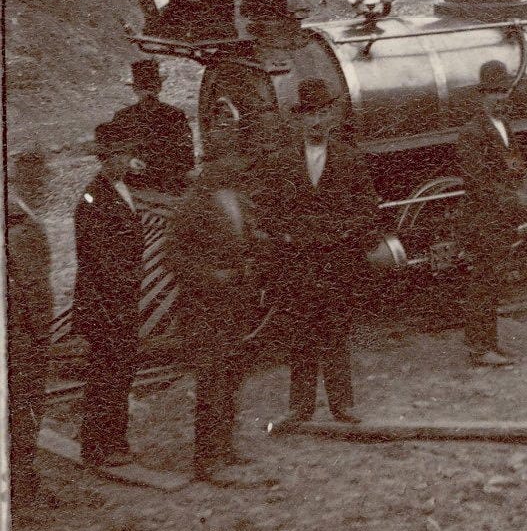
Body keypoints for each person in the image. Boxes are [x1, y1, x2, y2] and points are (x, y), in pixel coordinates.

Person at [256, 80, 380, 431]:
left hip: (336, 262)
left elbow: (369, 209)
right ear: (298, 119)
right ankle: (300, 408)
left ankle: (342, 406)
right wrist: (287, 233)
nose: (315, 121)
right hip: (297, 263)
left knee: (336, 333)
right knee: (300, 335)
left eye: (321, 113)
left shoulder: (350, 159)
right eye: (308, 114)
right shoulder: (281, 161)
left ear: (331, 116)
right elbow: (265, 209)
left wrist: (342, 232)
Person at [166, 136, 265, 483]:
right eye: (227, 160)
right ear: (210, 165)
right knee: (211, 382)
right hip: (205, 310)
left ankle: (225, 448)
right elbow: (175, 257)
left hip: (235, 306)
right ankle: (207, 459)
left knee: (232, 377)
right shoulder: (191, 206)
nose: (235, 166)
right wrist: (213, 276)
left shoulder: (235, 198)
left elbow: (247, 239)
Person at [73, 121, 145, 469]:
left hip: (121, 300)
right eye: (119, 154)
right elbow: (98, 258)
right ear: (105, 158)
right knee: (105, 375)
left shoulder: (121, 189)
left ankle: (114, 441)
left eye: (127, 152)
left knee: (120, 372)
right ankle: (97, 447)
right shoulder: (94, 197)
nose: (126, 159)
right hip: (104, 303)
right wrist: (124, 286)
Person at [455, 61, 527, 367]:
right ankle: (479, 347)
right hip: (483, 218)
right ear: (481, 96)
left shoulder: (505, 126)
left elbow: (514, 164)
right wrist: (511, 197)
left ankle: (489, 344)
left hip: (500, 216)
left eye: (504, 91)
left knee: (493, 280)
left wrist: (526, 185)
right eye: (493, 92)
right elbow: (476, 180)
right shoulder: (471, 132)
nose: (500, 98)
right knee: (484, 280)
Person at [7, 150, 55, 508]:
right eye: (35, 180)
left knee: (28, 410)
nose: (41, 186)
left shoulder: (26, 217)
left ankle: (26, 481)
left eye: (43, 179)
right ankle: (23, 487)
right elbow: (24, 288)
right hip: (24, 337)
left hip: (31, 333)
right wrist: (34, 335)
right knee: (24, 411)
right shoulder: (17, 223)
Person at [110, 59, 196, 195]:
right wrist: (129, 161)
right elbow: (111, 152)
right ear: (136, 90)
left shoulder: (175, 115)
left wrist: (171, 170)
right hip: (134, 186)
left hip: (170, 187)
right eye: (143, 88)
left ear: (159, 88)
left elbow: (187, 154)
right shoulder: (122, 118)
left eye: (151, 87)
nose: (148, 93)